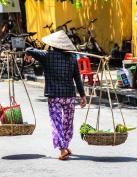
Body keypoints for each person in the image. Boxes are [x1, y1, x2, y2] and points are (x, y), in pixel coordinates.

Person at [24, 30, 87, 160]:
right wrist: (83, 96)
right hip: (69, 96)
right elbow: (77, 78)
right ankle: (66, 144)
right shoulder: (72, 58)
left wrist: (27, 53)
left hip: (54, 96)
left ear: (53, 45)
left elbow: (29, 48)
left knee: (56, 122)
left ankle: (63, 148)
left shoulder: (47, 55)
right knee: (68, 122)